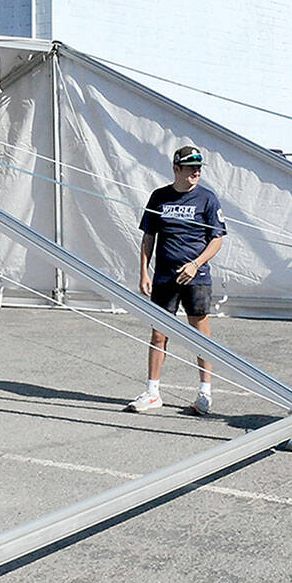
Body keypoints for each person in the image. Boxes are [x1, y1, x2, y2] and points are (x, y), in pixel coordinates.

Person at [126, 146, 226, 415]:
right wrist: (144, 272)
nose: (196, 171)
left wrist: (196, 264)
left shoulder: (207, 199)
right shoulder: (159, 197)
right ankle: (152, 392)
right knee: (159, 335)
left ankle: (204, 394)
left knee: (200, 335)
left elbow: (217, 239)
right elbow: (148, 237)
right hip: (165, 278)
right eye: (190, 166)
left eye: (199, 167)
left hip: (197, 278)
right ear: (176, 169)